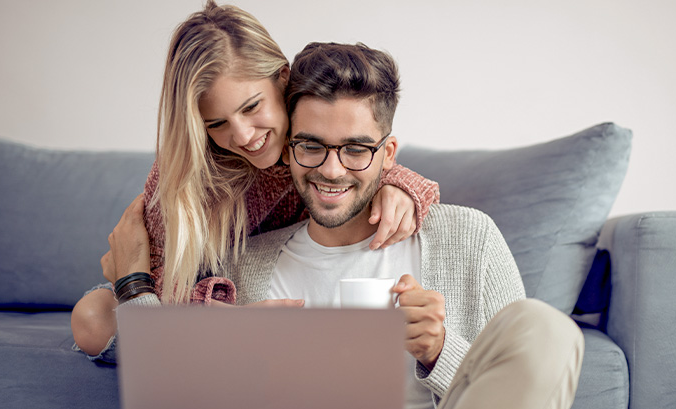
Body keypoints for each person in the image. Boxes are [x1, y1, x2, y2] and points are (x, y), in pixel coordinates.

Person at [109, 41, 584, 409]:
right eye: (311, 146)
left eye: (356, 149)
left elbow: (525, 392)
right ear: (285, 149)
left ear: (389, 153)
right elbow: (166, 390)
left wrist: (439, 350)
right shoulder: (242, 261)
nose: (332, 171)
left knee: (545, 330)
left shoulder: (467, 237)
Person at [70, 1, 439, 363]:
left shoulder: (314, 124)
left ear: (282, 78)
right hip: (188, 296)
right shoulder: (188, 178)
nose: (244, 135)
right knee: (91, 316)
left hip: (279, 283)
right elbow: (160, 288)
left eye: (251, 107)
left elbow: (356, 152)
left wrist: (399, 182)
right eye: (217, 124)